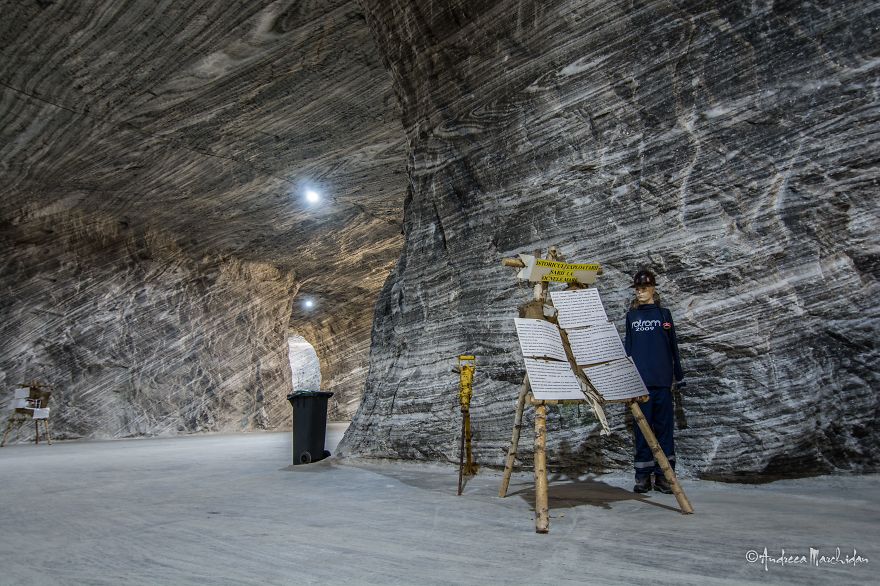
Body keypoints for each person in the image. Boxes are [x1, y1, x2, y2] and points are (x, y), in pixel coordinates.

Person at [624, 269, 684, 494]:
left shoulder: (664, 315)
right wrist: (626, 380)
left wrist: (679, 376)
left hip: (662, 381)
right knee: (642, 432)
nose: (640, 293)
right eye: (638, 289)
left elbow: (673, 347)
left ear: (653, 289)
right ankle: (642, 476)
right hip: (640, 384)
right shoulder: (632, 317)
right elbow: (628, 349)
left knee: (664, 430)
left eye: (644, 288)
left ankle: (664, 476)